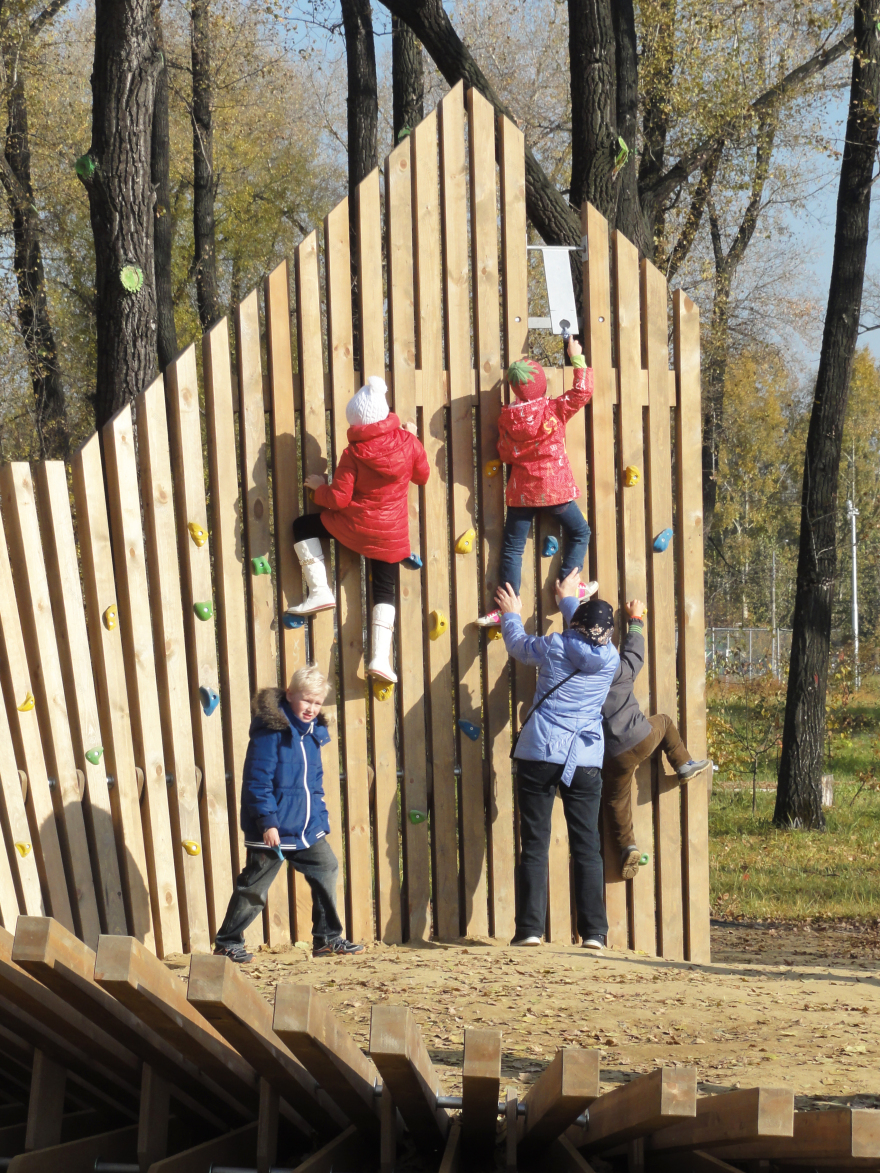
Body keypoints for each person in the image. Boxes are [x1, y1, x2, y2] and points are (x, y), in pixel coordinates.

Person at [495, 573, 619, 950]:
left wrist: (511, 614)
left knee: (534, 842)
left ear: (575, 624)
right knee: (587, 846)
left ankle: (529, 930)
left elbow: (517, 645)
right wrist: (569, 601)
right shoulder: (611, 659)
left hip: (540, 753)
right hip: (583, 758)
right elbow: (587, 637)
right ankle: (594, 933)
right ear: (609, 633)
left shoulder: (554, 646)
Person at [213, 665, 363, 962]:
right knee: (255, 886)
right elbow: (257, 780)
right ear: (290, 694)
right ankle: (227, 943)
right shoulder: (272, 730)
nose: (311, 708)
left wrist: (319, 818)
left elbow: (313, 784)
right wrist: (267, 823)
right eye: (306, 700)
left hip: (305, 826)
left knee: (327, 868)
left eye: (317, 702)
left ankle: (326, 939)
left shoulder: (313, 734)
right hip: (272, 828)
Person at [286, 375, 430, 683]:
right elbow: (423, 476)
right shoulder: (407, 443)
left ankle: (320, 590)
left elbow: (338, 499)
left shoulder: (353, 453)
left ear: (356, 425)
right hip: (390, 536)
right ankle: (379, 658)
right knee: (384, 591)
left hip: (354, 526)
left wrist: (319, 489)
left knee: (302, 526)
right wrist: (414, 437)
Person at [587, 597, 711, 880]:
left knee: (616, 801)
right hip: (641, 736)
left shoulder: (583, 680)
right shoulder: (619, 669)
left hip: (613, 753)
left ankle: (627, 845)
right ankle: (683, 764)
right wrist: (636, 621)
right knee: (665, 722)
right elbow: (634, 653)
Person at [477, 337, 597, 627]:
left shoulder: (507, 418)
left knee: (511, 549)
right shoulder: (553, 410)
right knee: (580, 533)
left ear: (515, 390)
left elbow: (505, 454)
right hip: (555, 491)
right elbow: (583, 392)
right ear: (542, 385)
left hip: (521, 494)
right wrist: (576, 357)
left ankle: (506, 607)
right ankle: (569, 586)